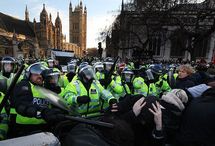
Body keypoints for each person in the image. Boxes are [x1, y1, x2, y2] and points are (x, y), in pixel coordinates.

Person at [9, 62, 65, 138]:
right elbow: (22, 104)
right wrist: (41, 112)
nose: (39, 76)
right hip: (23, 128)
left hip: (44, 128)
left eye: (41, 75)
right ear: (28, 75)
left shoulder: (45, 88)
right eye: (35, 74)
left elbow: (57, 106)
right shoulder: (24, 85)